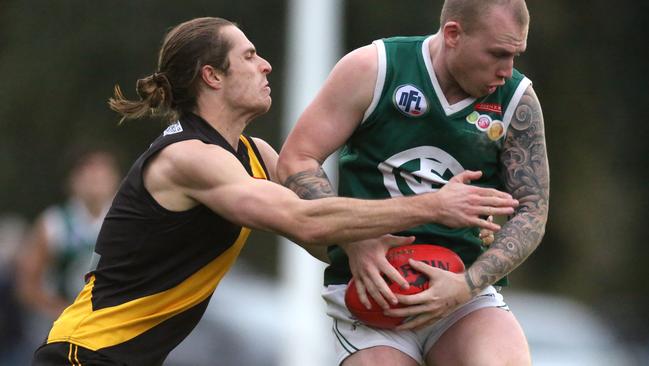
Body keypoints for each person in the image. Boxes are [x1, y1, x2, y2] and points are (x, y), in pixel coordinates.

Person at [31, 17, 518, 366]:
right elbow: (306, 220)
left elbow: (324, 234)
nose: (265, 65)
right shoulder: (187, 159)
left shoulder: (255, 154)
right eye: (248, 56)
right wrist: (434, 204)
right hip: (84, 353)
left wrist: (381, 251)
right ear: (212, 76)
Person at [277, 0, 549, 365]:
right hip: (371, 288)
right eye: (497, 54)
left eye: (515, 54)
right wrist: (352, 237)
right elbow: (297, 159)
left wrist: (467, 284)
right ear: (453, 34)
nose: (507, 70)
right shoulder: (374, 69)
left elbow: (532, 211)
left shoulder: (516, 99)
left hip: (461, 288)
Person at [17, 148, 120, 320]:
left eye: (102, 173)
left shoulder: (128, 221)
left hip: (110, 317)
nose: (95, 179)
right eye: (88, 172)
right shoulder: (53, 223)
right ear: (72, 180)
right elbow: (27, 286)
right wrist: (58, 310)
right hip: (63, 317)